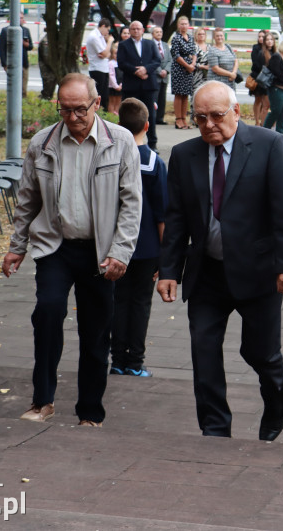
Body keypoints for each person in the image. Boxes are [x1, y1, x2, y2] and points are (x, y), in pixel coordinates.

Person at [158, 81, 283, 440]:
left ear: (236, 111)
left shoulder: (268, 146)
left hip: (259, 273)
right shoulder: (184, 155)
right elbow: (175, 217)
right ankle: (215, 428)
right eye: (200, 118)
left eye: (217, 116)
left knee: (262, 354)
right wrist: (168, 271)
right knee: (203, 350)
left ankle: (276, 409)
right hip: (207, 271)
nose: (209, 124)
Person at [2, 73, 142, 427]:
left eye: (80, 109)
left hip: (101, 251)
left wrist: (121, 252)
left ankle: (90, 412)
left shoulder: (121, 141)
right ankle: (43, 400)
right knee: (47, 313)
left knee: (95, 330)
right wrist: (16, 248)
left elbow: (131, 204)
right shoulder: (42, 143)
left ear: (97, 104)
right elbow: (27, 200)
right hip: (56, 246)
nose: (73, 117)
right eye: (65, 110)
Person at [111, 98, 167, 378]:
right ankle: (136, 361)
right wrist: (165, 255)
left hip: (116, 246)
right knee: (141, 303)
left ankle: (117, 359)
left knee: (118, 301)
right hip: (146, 248)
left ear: (119, 125)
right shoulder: (154, 163)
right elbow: (161, 214)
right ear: (148, 125)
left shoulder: (111, 158)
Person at [117, 20, 162, 148]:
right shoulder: (123, 45)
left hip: (148, 85)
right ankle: (128, 142)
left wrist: (145, 69)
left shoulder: (150, 44)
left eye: (138, 29)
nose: (136, 31)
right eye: (133, 29)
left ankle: (152, 143)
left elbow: (157, 60)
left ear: (143, 30)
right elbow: (121, 63)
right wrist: (136, 71)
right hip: (131, 85)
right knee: (129, 114)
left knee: (150, 115)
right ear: (130, 31)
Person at [169, 16, 197, 130]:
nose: (184, 26)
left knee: (186, 95)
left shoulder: (190, 38)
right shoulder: (176, 38)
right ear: (178, 25)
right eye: (182, 24)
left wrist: (193, 65)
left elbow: (194, 52)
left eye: (186, 24)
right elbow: (176, 55)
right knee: (179, 94)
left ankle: (184, 119)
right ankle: (178, 119)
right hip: (179, 69)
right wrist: (187, 65)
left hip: (189, 69)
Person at [262, 39, 283, 137]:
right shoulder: (276, 56)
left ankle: (280, 134)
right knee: (276, 110)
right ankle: (264, 131)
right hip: (277, 88)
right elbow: (276, 71)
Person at [0, 17, 34, 99]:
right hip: (11, 63)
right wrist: (4, 63)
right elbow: (1, 48)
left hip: (23, 62)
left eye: (22, 18)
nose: (21, 20)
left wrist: (25, 43)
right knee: (14, 85)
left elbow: (30, 47)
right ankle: (12, 101)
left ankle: (23, 101)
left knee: (23, 86)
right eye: (19, 18)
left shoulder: (25, 30)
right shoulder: (5, 31)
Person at [85, 18, 114, 103]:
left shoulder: (100, 36)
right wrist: (110, 42)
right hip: (97, 69)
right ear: (103, 26)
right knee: (98, 95)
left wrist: (105, 54)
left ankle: (103, 113)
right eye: (107, 30)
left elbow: (107, 54)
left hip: (104, 68)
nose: (107, 32)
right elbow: (105, 53)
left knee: (105, 96)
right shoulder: (94, 36)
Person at [251, 31, 275, 125]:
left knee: (270, 106)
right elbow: (257, 65)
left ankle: (268, 125)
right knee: (261, 103)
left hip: (272, 82)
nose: (269, 41)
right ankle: (259, 123)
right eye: (267, 39)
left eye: (271, 39)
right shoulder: (260, 51)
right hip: (262, 80)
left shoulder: (274, 52)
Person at [152, 26, 172, 125]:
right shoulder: (150, 45)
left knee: (162, 98)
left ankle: (160, 118)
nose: (159, 33)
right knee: (154, 98)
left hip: (165, 76)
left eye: (160, 32)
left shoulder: (165, 45)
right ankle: (153, 117)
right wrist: (159, 71)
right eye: (157, 32)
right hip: (156, 76)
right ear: (153, 34)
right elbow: (151, 60)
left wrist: (166, 70)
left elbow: (169, 60)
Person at [106, 41, 121, 114]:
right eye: (116, 54)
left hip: (120, 86)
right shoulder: (111, 63)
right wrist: (116, 86)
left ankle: (117, 115)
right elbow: (111, 75)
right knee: (112, 101)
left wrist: (121, 85)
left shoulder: (122, 63)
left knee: (119, 101)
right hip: (112, 86)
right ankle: (111, 115)